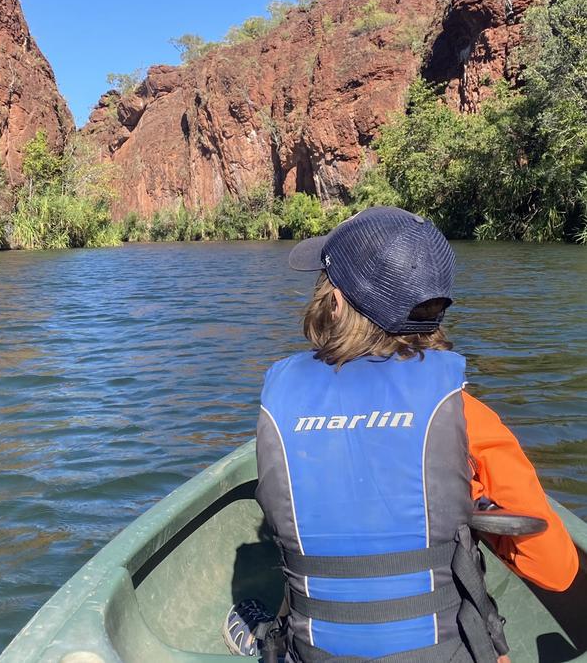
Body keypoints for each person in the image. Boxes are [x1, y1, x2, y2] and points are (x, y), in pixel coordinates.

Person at [223, 206, 578, 662]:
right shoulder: (467, 416)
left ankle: (260, 639)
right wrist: (473, 504)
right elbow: (557, 570)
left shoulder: (281, 408)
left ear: (334, 303)